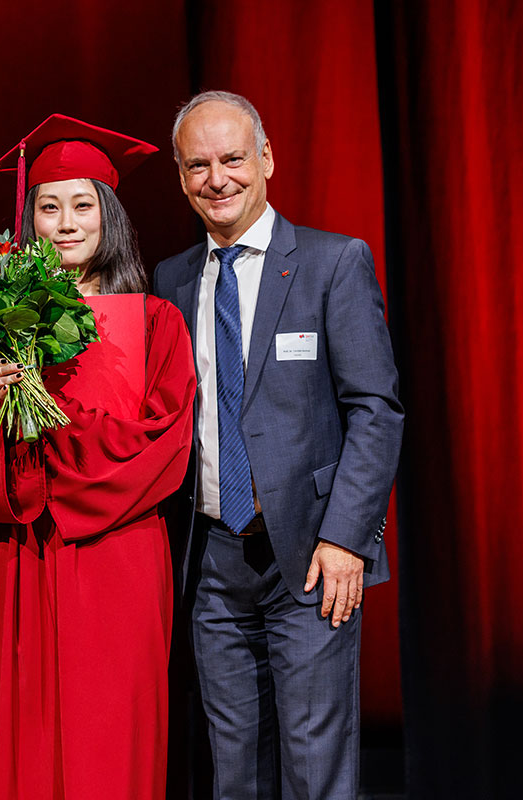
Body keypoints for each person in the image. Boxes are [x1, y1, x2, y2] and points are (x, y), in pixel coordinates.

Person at [153, 90, 404, 799]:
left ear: (265, 158)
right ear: (180, 178)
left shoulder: (331, 263)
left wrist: (350, 538)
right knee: (235, 772)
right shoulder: (171, 281)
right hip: (212, 562)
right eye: (198, 165)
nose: (217, 178)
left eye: (232, 158)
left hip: (312, 558)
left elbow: (376, 411)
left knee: (314, 767)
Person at [0, 115, 197, 800]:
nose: (64, 223)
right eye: (48, 207)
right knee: (23, 729)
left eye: (82, 205)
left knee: (107, 736)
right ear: (27, 222)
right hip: (25, 549)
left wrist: (53, 434)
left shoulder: (154, 322)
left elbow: (163, 446)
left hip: (119, 552)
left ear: (108, 215)